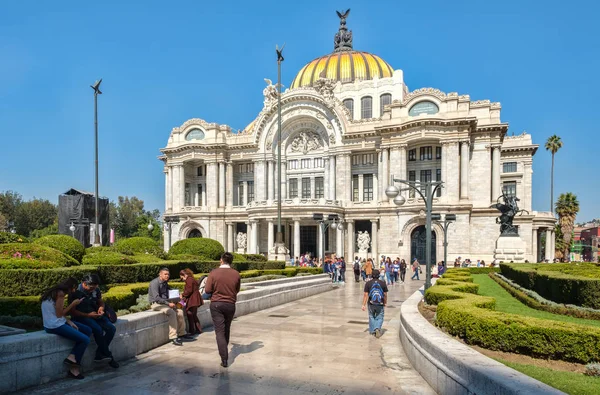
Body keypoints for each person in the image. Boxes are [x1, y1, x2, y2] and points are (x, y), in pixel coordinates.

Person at [41, 278, 92, 380]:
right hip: (54, 326)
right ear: (70, 287)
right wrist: (73, 304)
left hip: (58, 322)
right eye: (74, 288)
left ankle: (72, 355)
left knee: (87, 330)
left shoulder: (54, 292)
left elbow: (55, 312)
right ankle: (74, 369)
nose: (74, 291)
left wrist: (69, 321)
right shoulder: (60, 294)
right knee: (85, 339)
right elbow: (60, 314)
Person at [70, 274, 119, 368]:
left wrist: (101, 309)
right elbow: (72, 311)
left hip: (95, 314)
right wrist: (88, 315)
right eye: (91, 288)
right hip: (82, 316)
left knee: (111, 329)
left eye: (95, 288)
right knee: (97, 329)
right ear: (84, 284)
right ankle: (109, 355)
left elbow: (100, 301)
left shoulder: (96, 290)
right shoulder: (76, 292)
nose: (93, 290)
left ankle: (100, 354)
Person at [205, 252, 241, 368]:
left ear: (221, 260)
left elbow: (207, 290)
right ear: (231, 261)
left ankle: (224, 358)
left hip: (216, 304)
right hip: (230, 304)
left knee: (219, 331)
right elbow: (237, 289)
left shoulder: (214, 273)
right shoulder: (236, 274)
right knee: (227, 328)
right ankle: (224, 352)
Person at [149, 268, 187, 346]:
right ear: (160, 274)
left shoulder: (165, 282)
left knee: (180, 312)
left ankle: (182, 334)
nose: (167, 276)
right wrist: (168, 304)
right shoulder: (154, 283)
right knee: (171, 312)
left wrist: (178, 295)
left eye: (168, 274)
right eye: (165, 274)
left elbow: (169, 290)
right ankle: (173, 337)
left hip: (165, 303)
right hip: (156, 304)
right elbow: (157, 298)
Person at [361, 269, 388, 338]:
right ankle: (377, 328)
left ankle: (373, 331)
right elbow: (385, 294)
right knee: (380, 317)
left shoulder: (368, 283)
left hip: (371, 303)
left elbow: (365, 295)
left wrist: (363, 305)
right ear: (379, 275)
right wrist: (385, 302)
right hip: (380, 303)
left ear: (371, 275)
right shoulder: (382, 283)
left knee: (371, 316)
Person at [180, 268, 203, 337]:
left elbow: (189, 290)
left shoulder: (189, 280)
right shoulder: (192, 279)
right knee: (194, 314)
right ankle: (198, 329)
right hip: (195, 298)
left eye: (181, 277)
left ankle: (192, 331)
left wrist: (182, 295)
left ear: (184, 275)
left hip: (193, 299)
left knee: (189, 314)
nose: (182, 279)